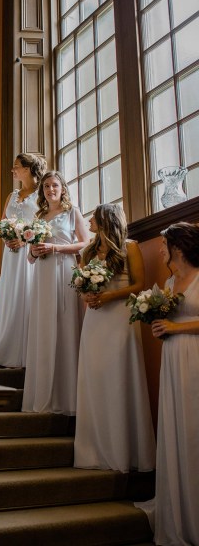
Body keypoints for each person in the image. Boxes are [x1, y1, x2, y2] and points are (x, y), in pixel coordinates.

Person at [73, 203, 156, 473]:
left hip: (120, 317)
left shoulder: (129, 247)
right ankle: (94, 449)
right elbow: (82, 283)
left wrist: (108, 296)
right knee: (95, 377)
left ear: (106, 220)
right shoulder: (88, 251)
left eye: (94, 218)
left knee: (120, 376)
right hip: (95, 319)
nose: (89, 222)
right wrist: (86, 295)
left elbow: (138, 284)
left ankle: (125, 450)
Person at [136, 222, 199, 545]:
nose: (160, 250)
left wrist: (174, 329)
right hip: (174, 361)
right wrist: (158, 326)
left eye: (163, 245)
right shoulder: (171, 281)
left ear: (177, 246)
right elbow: (168, 319)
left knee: (194, 430)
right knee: (177, 430)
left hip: (195, 357)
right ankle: (179, 507)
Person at [21, 171, 89, 414]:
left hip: (64, 271)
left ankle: (66, 398)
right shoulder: (38, 216)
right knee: (44, 328)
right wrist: (34, 253)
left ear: (62, 188)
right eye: (47, 186)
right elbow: (29, 256)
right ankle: (43, 395)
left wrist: (56, 247)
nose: (51, 189)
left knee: (64, 325)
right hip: (42, 275)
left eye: (55, 185)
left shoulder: (72, 212)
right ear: (43, 191)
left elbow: (85, 243)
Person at [0, 153, 47, 367]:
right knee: (11, 294)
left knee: (27, 294)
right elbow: (2, 222)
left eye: (16, 166)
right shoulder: (12, 195)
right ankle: (5, 344)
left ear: (28, 169)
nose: (12, 170)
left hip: (31, 253)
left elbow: (47, 226)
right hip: (11, 253)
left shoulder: (42, 194)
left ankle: (27, 352)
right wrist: (7, 235)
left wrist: (25, 241)